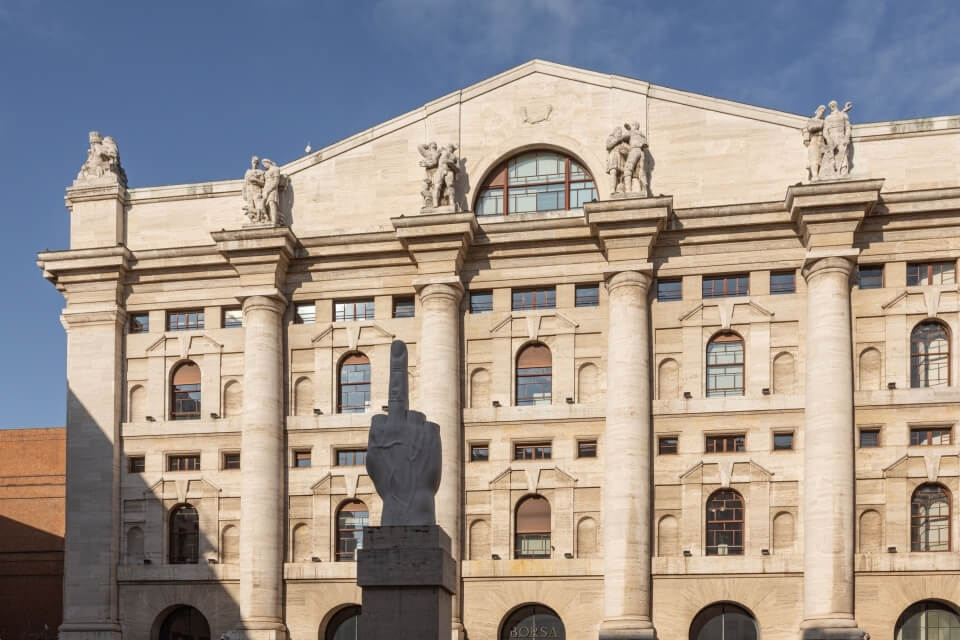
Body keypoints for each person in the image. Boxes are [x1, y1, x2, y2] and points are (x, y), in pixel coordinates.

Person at [823, 100, 852, 177]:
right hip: (831, 137)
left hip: (841, 136)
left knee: (843, 154)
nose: (832, 106)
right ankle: (832, 172)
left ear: (836, 105)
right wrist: (828, 139)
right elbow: (825, 131)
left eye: (833, 105)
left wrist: (846, 138)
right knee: (831, 157)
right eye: (831, 106)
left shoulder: (843, 115)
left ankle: (843, 172)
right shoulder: (827, 118)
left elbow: (848, 127)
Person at [802, 105, 826, 181]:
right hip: (814, 141)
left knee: (822, 160)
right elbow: (810, 128)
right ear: (817, 111)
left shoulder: (824, 121)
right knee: (815, 159)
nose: (821, 113)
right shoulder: (811, 120)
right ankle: (815, 176)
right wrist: (821, 125)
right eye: (820, 111)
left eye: (823, 112)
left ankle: (820, 174)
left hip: (822, 142)